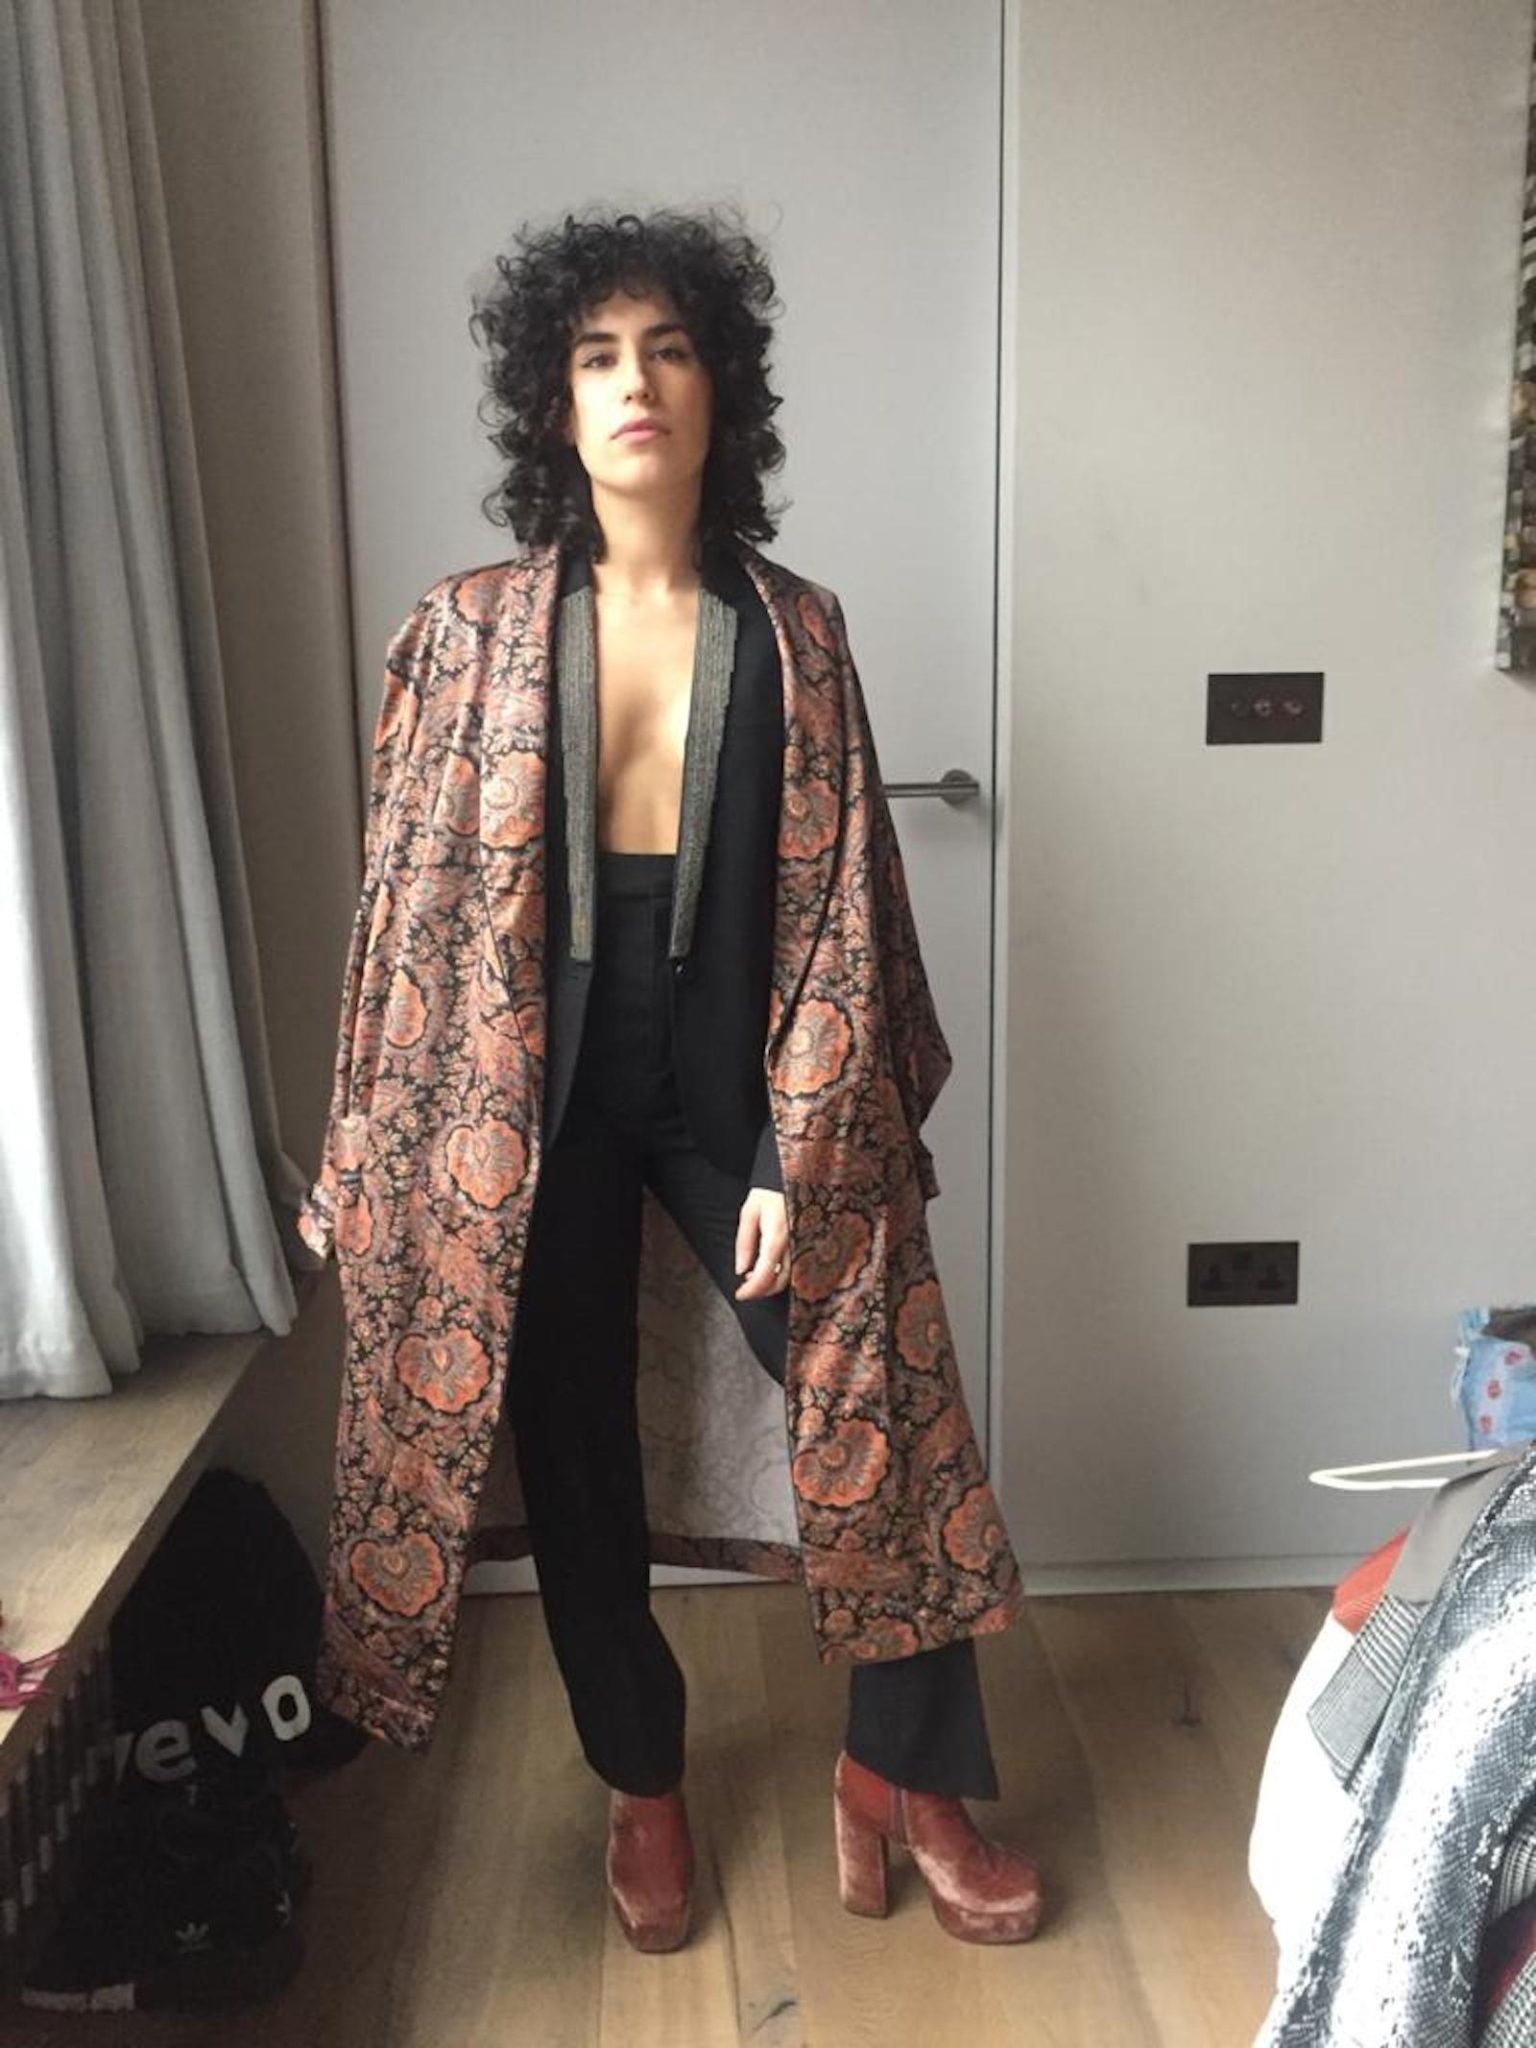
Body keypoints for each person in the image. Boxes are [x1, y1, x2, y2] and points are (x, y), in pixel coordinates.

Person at [300, 203, 1042, 1958]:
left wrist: (796, 1140)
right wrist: (365, 1145)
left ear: (723, 389)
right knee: (575, 1458)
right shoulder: (464, 629)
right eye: (597, 355)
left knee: (887, 1414)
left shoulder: (796, 629)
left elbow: (845, 905)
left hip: (736, 1086)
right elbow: (402, 916)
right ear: (553, 402)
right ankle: (641, 1780)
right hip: (528, 1101)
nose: (635, 383)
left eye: (671, 349)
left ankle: (909, 1774)